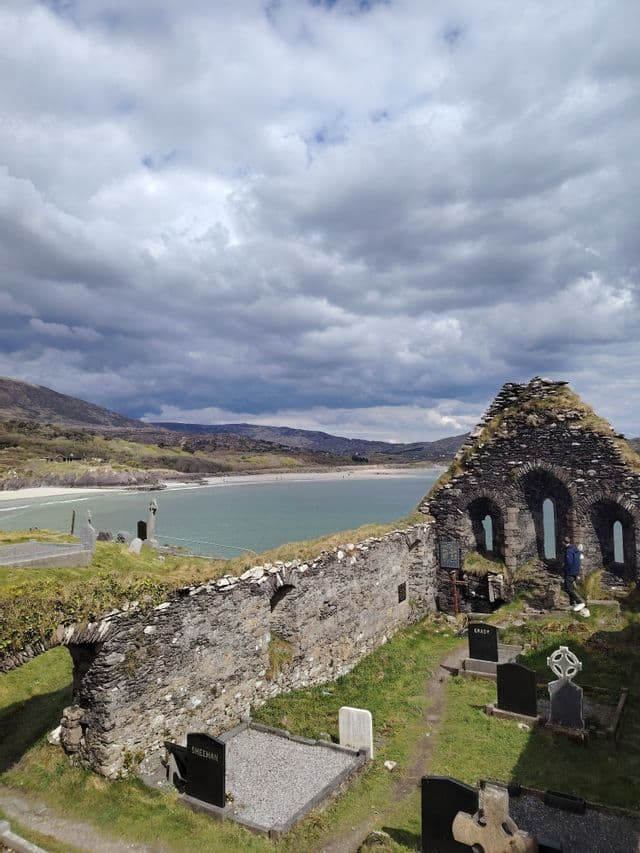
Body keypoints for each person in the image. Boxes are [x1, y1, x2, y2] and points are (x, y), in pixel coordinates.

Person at [563, 537, 589, 616]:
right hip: (575, 572)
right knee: (570, 587)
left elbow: (569, 562)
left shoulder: (569, 550)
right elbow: (577, 561)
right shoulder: (576, 550)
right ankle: (572, 604)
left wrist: (564, 568)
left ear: (563, 542)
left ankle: (579, 602)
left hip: (570, 572)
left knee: (567, 588)